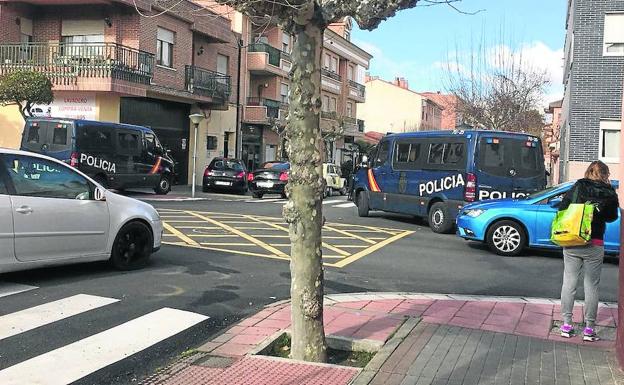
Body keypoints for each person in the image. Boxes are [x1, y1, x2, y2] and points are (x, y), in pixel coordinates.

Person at [558, 161, 619, 341]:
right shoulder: (609, 192)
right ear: (605, 174)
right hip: (595, 242)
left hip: (573, 240)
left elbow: (563, 208)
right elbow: (612, 217)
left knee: (569, 283)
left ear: (589, 171)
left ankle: (567, 325)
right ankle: (589, 329)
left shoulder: (579, 186)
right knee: (591, 285)